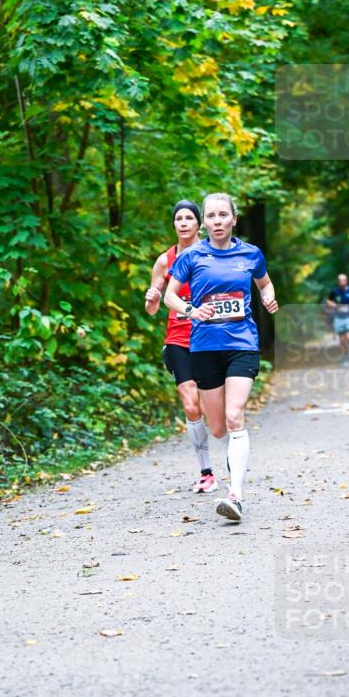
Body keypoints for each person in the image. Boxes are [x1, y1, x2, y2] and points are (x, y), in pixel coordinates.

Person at [164, 192, 278, 523]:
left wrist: (268, 298)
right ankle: (225, 476)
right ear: (206, 221)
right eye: (211, 216)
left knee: (234, 417)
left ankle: (235, 496)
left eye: (222, 215)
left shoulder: (250, 254)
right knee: (217, 429)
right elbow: (171, 295)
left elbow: (265, 284)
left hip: (242, 344)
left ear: (233, 219)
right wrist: (192, 310)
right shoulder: (192, 256)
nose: (216, 221)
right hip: (204, 347)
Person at [144, 200, 217, 493]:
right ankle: (206, 471)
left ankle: (231, 449)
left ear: (199, 224)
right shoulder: (165, 260)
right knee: (190, 404)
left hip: (212, 338)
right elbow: (152, 308)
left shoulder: (213, 253)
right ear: (174, 224)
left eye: (189, 218)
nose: (184, 222)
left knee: (217, 409)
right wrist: (151, 299)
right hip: (177, 338)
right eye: (179, 218)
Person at [326, 274, 349, 363]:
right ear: (338, 282)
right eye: (341, 281)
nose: (342, 282)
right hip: (338, 317)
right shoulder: (334, 291)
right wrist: (332, 304)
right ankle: (345, 356)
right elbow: (328, 300)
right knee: (342, 340)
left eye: (344, 280)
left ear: (347, 281)